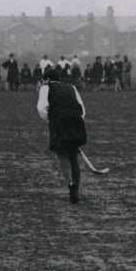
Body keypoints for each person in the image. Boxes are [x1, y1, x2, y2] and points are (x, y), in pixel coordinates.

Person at [37, 67, 87, 204]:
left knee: (62, 155)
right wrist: (78, 123)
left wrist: (50, 119)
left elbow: (41, 109)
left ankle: (70, 182)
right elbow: (82, 108)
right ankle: (75, 190)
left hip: (59, 122)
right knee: (73, 157)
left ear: (47, 80)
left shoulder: (46, 88)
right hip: (76, 121)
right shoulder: (72, 87)